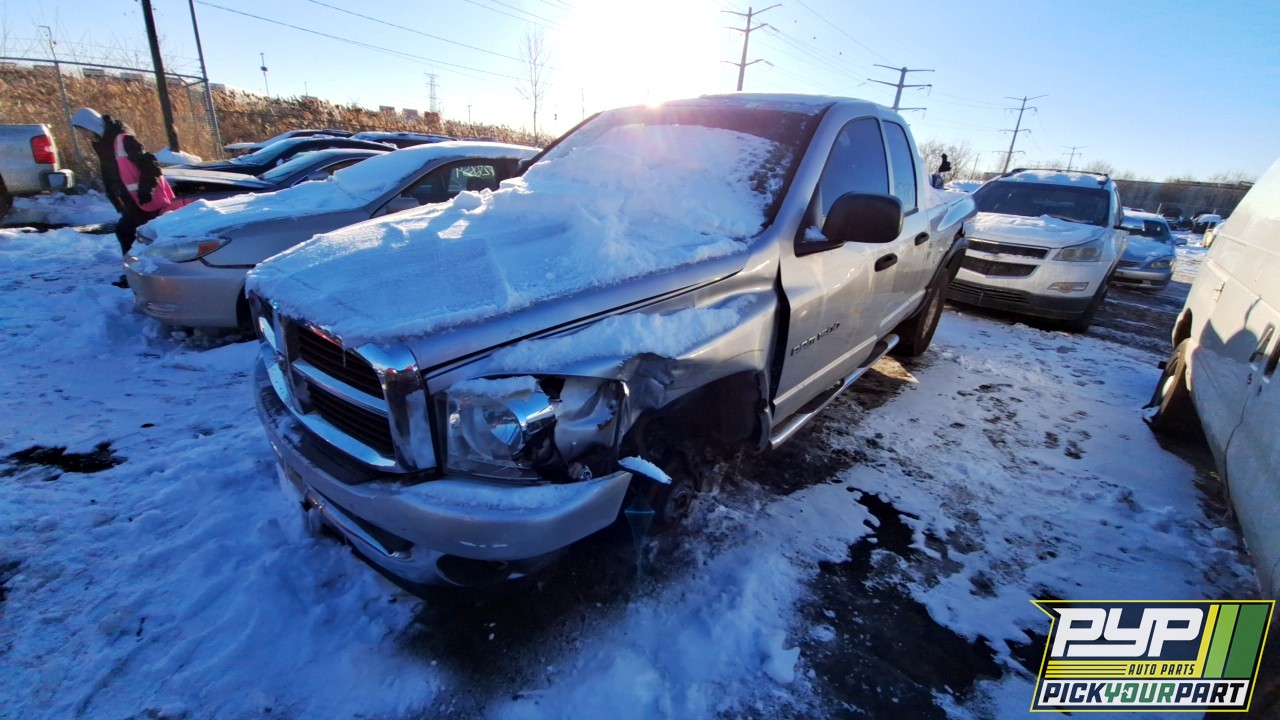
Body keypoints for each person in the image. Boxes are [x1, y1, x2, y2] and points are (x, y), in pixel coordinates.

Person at [71, 108, 179, 285]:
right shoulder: (102, 142)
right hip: (132, 200)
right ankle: (142, 273)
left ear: (93, 126)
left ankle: (140, 274)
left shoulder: (123, 139)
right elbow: (111, 173)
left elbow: (150, 164)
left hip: (145, 199)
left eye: (85, 131)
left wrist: (146, 190)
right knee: (136, 233)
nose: (84, 136)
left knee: (128, 231)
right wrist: (115, 197)